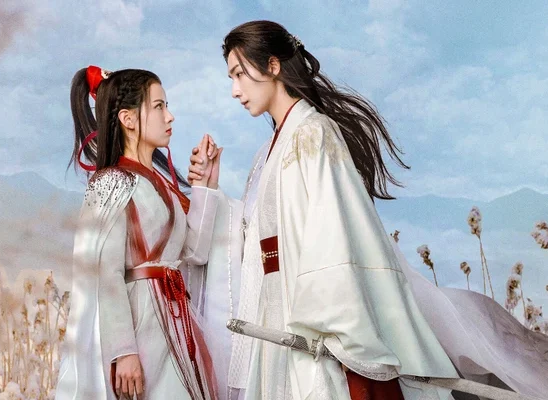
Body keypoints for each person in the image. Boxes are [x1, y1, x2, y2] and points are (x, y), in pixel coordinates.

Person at [189, 20, 458, 400]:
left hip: (312, 319)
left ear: (272, 66)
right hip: (276, 311)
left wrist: (343, 333)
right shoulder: (268, 151)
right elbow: (257, 234)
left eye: (239, 74)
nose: (235, 90)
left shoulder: (313, 132)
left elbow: (333, 237)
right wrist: (209, 189)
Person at [56, 65, 224, 399]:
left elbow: (195, 253)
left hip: (176, 322)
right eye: (159, 106)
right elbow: (105, 272)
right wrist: (123, 351)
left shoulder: (162, 184)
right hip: (142, 324)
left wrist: (206, 185)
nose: (170, 116)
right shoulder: (111, 183)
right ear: (128, 119)